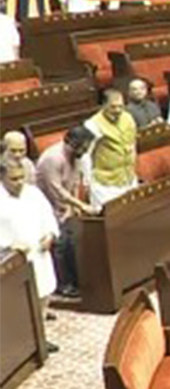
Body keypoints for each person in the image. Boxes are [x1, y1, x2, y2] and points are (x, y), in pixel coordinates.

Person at [34, 127, 94, 300]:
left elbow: (74, 183)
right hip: (46, 207)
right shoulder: (53, 159)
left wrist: (73, 208)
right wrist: (80, 205)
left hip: (64, 207)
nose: (84, 151)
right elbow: (56, 190)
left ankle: (75, 281)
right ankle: (62, 285)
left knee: (71, 243)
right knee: (60, 246)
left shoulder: (78, 157)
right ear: (69, 143)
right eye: (81, 147)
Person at [0, 161, 60, 308]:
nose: (19, 183)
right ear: (2, 177)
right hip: (12, 261)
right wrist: (8, 245)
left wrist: (50, 235)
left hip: (39, 254)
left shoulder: (33, 193)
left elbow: (48, 216)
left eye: (22, 178)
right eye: (14, 179)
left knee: (43, 296)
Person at [85, 90, 140, 206]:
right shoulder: (92, 124)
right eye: (113, 107)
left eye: (121, 107)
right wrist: (87, 181)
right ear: (103, 105)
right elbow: (85, 154)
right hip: (105, 185)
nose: (118, 111)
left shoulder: (128, 118)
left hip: (128, 178)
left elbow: (133, 142)